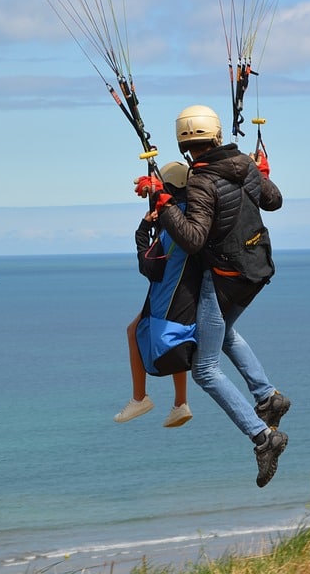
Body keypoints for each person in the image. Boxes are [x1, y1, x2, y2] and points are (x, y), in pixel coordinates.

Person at [134, 104, 290, 488]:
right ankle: (267, 395)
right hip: (256, 271)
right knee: (225, 334)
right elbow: (273, 200)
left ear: (185, 145)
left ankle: (263, 436)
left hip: (224, 279)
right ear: (217, 134)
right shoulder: (243, 163)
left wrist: (166, 203)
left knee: (204, 369)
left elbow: (192, 239)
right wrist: (259, 174)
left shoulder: (201, 180)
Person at [115, 161, 201, 428]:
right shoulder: (192, 215)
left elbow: (150, 267)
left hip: (166, 293)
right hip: (188, 291)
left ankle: (140, 397)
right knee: (176, 338)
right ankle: (180, 403)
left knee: (134, 331)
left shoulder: (173, 226)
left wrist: (142, 231)